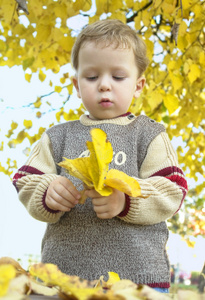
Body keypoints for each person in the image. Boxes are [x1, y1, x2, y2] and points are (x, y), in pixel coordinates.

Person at [12, 19, 188, 293]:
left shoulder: (149, 134)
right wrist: (48, 191)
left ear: (139, 85)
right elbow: (25, 179)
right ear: (76, 84)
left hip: (138, 283)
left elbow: (172, 190)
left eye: (118, 77)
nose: (104, 85)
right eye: (92, 77)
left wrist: (126, 200)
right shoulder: (58, 136)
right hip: (64, 281)